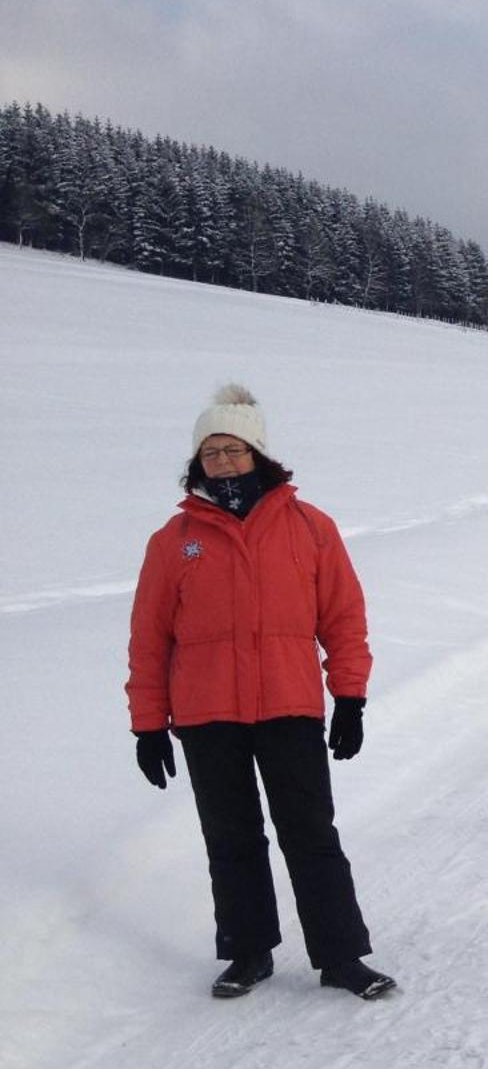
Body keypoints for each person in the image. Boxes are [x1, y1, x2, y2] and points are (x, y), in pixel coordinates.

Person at [127, 384, 396, 1000]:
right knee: (231, 837)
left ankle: (341, 956)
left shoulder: (309, 526)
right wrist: (147, 724)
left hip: (288, 706)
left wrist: (349, 697)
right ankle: (248, 953)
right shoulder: (174, 542)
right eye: (211, 453)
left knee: (311, 832)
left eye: (234, 451)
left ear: (259, 455)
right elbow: (149, 639)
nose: (222, 463)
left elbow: (344, 618)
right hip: (205, 713)